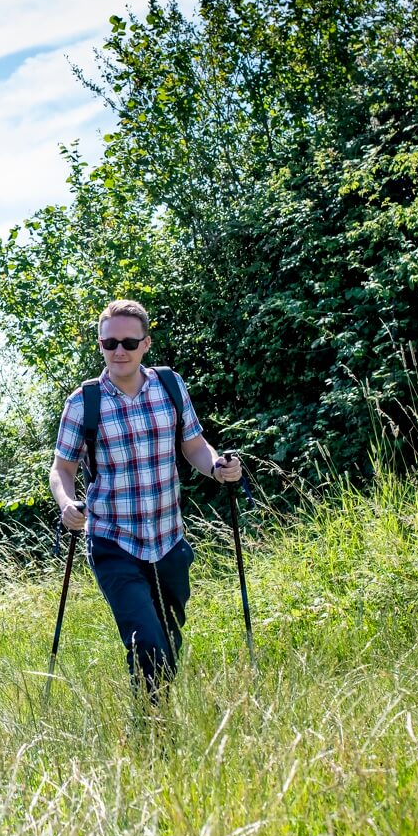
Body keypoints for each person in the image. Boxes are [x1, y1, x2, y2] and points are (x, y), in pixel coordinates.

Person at [48, 299, 242, 698]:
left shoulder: (170, 386)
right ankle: (154, 731)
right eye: (109, 342)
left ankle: (155, 718)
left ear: (146, 344)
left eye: (129, 342)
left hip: (169, 539)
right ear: (100, 344)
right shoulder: (83, 403)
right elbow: (61, 470)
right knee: (146, 641)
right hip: (113, 541)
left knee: (168, 640)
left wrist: (218, 467)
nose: (119, 350)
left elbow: (193, 446)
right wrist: (67, 503)